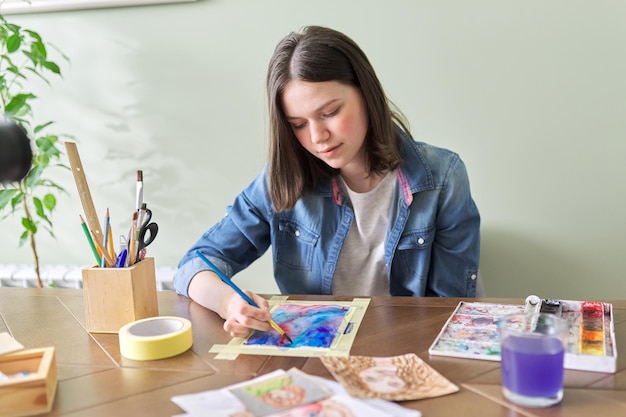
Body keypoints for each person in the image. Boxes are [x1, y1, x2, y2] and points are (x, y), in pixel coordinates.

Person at [174, 25, 480, 338]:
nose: (318, 137)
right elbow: (194, 265)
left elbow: (451, 310)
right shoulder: (283, 179)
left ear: (365, 93)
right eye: (298, 124)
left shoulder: (442, 176)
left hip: (406, 351)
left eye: (330, 112)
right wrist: (230, 303)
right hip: (313, 355)